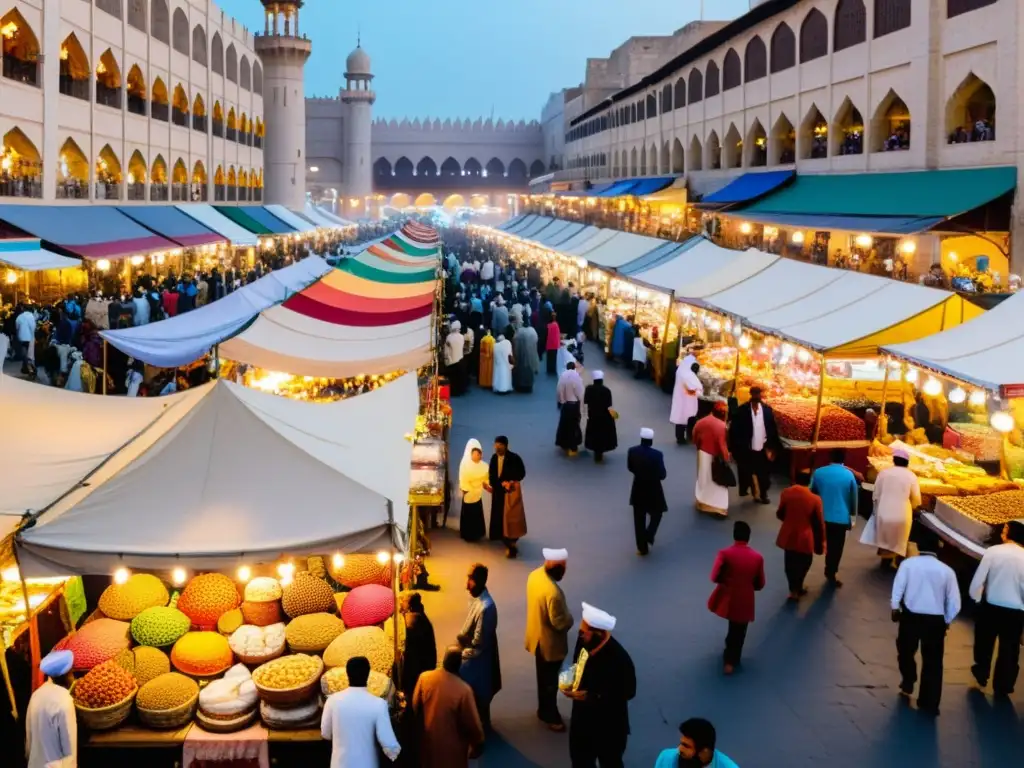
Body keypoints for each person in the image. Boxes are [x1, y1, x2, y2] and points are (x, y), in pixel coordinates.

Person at [891, 527, 960, 715]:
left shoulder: (908, 565)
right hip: (935, 622)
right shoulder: (947, 572)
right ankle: (929, 702)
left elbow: (898, 588)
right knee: (933, 662)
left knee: (905, 651)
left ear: (919, 547)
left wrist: (895, 607)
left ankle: (908, 679)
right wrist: (946, 620)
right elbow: (955, 603)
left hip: (910, 617)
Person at [563, 602, 636, 767]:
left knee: (610, 762)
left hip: (609, 726)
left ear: (599, 634)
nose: (580, 635)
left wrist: (591, 695)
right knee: (580, 761)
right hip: (582, 722)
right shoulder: (584, 642)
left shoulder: (620, 660)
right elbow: (577, 663)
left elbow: (629, 692)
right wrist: (571, 680)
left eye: (584, 632)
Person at [969, 520, 1024, 697]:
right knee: (1009, 648)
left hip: (991, 606)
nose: (1003, 530)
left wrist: (976, 597)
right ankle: (1003, 685)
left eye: (1006, 529)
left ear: (1011, 533)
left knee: (984, 642)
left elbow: (979, 579)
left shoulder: (993, 552)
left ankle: (981, 674)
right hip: (1015, 610)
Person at [525, 548, 574, 731]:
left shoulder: (534, 576)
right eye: (563, 568)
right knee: (551, 682)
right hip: (550, 644)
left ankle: (542, 709)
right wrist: (570, 618)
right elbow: (559, 622)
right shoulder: (553, 593)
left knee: (542, 677)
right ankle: (550, 715)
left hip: (536, 637)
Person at [321, 656, 401, 767]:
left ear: (347, 674)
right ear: (368, 674)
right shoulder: (378, 704)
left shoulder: (332, 701)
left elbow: (325, 734)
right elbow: (389, 744)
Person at [708, 521, 766, 674]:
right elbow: (760, 583)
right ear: (749, 538)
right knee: (740, 629)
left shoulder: (725, 553)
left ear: (734, 536)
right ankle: (734, 658)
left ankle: (728, 659)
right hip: (746, 598)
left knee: (732, 625)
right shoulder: (758, 557)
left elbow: (714, 576)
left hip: (729, 596)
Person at [413, 646, 485, 768]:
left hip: (428, 746)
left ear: (444, 660)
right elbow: (473, 726)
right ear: (459, 665)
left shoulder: (424, 678)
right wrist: (478, 746)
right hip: (453, 754)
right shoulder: (464, 690)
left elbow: (415, 707)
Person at [860, 447, 921, 567]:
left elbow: (875, 495)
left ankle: (885, 561)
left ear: (894, 460)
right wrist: (913, 507)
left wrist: (877, 508)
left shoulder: (883, 473)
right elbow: (917, 499)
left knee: (885, 538)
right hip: (902, 514)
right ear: (907, 462)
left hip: (884, 512)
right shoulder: (911, 476)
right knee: (900, 540)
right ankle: (899, 563)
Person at [458, 563, 502, 730]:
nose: (467, 585)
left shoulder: (487, 608)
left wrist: (460, 655)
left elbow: (478, 643)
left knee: (477, 696)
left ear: (481, 582)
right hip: (477, 655)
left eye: (471, 580)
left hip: (478, 660)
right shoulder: (478, 600)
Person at [810, 448, 860, 587]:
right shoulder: (849, 475)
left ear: (830, 457)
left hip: (820, 516)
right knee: (836, 548)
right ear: (844, 459)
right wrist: (852, 519)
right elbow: (853, 499)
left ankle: (799, 580)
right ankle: (831, 572)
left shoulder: (819, 473)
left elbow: (811, 492)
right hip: (840, 518)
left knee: (811, 544)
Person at [775, 472, 826, 601]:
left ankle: (793, 590)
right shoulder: (815, 499)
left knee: (789, 563)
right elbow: (818, 523)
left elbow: (780, 513)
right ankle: (798, 586)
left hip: (789, 534)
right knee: (805, 562)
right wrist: (821, 542)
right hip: (805, 537)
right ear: (809, 482)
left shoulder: (786, 493)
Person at [25, 650, 76, 768]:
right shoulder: (64, 699)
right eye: (72, 672)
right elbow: (69, 750)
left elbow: (28, 741)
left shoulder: (36, 695)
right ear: (66, 674)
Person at [729, 387, 780, 504]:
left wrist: (772, 447)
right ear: (751, 394)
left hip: (762, 448)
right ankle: (745, 489)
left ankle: (763, 494)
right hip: (747, 448)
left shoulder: (767, 411)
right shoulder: (743, 410)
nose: (757, 396)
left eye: (759, 394)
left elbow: (772, 429)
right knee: (745, 471)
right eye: (755, 394)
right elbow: (735, 430)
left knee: (764, 474)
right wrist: (733, 448)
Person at [627, 427, 667, 556]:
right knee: (657, 513)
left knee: (639, 518)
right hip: (654, 488)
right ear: (651, 441)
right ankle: (649, 534)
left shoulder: (632, 451)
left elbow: (630, 467)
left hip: (638, 487)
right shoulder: (657, 455)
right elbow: (662, 475)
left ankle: (642, 548)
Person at [488, 436, 527, 556]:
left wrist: (510, 481)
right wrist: (498, 484)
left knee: (510, 514)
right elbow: (492, 475)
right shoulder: (494, 458)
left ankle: (511, 537)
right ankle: (499, 534)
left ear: (506, 446)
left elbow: (521, 473)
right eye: (496, 445)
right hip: (498, 491)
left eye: (500, 445)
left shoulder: (514, 458)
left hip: (510, 493)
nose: (498, 447)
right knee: (498, 513)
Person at [691, 402, 731, 517]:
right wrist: (726, 457)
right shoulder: (721, 426)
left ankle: (701, 502)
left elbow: (694, 435)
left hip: (702, 453)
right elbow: (721, 445)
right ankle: (718, 508)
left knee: (703, 479)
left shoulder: (702, 421)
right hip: (715, 457)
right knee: (717, 482)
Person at [654, 718, 739, 768]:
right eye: (681, 743)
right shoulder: (665, 758)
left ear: (704, 752)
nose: (680, 749)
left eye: (686, 746)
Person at [399, 592, 437, 702]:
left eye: (404, 601)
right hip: (425, 665)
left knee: (414, 696)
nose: (401, 603)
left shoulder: (413, 619)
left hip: (418, 667)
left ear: (410, 604)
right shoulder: (420, 615)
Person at [459, 438, 489, 542]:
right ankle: (467, 534)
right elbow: (462, 477)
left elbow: (487, 478)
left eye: (478, 454)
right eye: (475, 454)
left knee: (477, 514)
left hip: (477, 494)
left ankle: (477, 533)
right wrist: (465, 488)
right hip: (468, 493)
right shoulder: (465, 464)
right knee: (468, 514)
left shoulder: (484, 466)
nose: (476, 456)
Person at [583, 371, 618, 463]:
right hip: (604, 417)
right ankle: (600, 452)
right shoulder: (606, 390)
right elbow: (609, 406)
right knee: (602, 435)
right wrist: (615, 415)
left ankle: (596, 451)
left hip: (593, 416)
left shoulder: (588, 389)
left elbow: (586, 403)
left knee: (594, 434)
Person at [556, 362, 585, 457]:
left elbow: (559, 389)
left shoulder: (563, 376)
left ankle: (564, 443)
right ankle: (573, 445)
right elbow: (580, 393)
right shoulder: (576, 377)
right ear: (574, 368)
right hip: (574, 405)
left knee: (564, 424)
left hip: (565, 405)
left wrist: (561, 401)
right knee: (574, 425)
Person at [670, 361, 703, 444]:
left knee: (680, 419)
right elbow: (697, 392)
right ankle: (687, 437)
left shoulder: (684, 376)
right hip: (689, 403)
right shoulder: (693, 378)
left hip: (681, 402)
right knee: (689, 420)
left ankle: (679, 437)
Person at [512, 320, 540, 393]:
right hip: (530, 355)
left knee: (520, 372)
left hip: (520, 355)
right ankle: (528, 386)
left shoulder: (519, 331)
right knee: (529, 371)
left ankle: (520, 386)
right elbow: (536, 340)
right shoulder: (532, 331)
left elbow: (514, 340)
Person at [444, 321, 466, 396]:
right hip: (460, 359)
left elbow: (446, 351)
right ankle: (460, 391)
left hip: (451, 360)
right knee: (459, 377)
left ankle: (452, 391)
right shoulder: (462, 337)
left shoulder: (449, 337)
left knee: (452, 377)